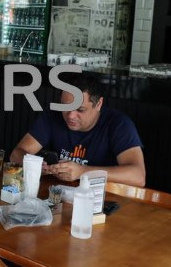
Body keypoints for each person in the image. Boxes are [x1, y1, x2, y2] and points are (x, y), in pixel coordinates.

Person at [10, 74, 145, 186]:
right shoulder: (53, 115)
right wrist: (34, 165)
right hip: (59, 195)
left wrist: (83, 172)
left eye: (80, 109)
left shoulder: (119, 124)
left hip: (103, 199)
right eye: (65, 107)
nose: (70, 115)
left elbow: (138, 176)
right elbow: (16, 154)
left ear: (99, 104)